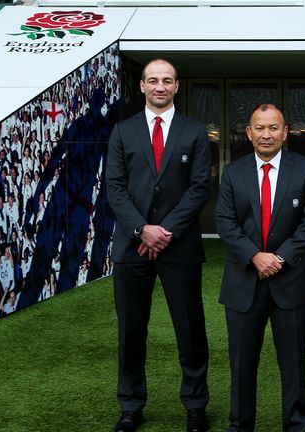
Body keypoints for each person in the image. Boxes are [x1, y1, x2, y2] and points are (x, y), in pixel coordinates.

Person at [106, 58, 211, 432]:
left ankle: (195, 406)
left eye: (167, 81)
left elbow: (200, 188)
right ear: (142, 86)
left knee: (190, 330)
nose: (160, 86)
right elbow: (114, 188)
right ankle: (131, 406)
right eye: (153, 80)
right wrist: (141, 230)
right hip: (132, 247)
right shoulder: (122, 132)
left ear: (177, 86)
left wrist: (164, 230)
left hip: (179, 246)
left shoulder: (196, 132)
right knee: (131, 331)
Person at [216, 104, 305, 432]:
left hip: (291, 282)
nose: (266, 134)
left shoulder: (304, 169)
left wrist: (279, 258)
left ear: (285, 132)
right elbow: (225, 220)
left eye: (273, 128)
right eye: (259, 128)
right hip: (243, 283)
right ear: (248, 133)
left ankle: (296, 425)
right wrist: (254, 256)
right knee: (241, 365)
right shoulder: (233, 172)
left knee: (293, 365)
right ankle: (240, 425)